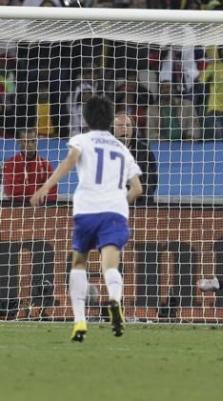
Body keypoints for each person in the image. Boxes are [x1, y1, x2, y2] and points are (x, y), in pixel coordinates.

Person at [30, 96, 143, 342]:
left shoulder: (82, 140)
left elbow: (69, 161)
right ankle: (114, 300)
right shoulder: (122, 149)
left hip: (87, 209)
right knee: (110, 264)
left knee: (79, 262)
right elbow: (137, 189)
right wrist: (118, 202)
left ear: (86, 118)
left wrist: (46, 186)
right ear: (110, 120)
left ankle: (80, 321)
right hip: (114, 211)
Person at [113, 112, 158, 205]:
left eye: (128, 125)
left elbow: (151, 180)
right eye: (120, 125)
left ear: (133, 129)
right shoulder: (105, 150)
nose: (124, 128)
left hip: (139, 203)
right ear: (112, 129)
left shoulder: (144, 150)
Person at [2, 130, 56, 205]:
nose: (30, 144)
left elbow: (52, 191)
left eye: (33, 141)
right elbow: (11, 191)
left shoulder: (45, 165)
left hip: (41, 207)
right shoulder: (11, 164)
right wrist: (38, 193)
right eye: (26, 141)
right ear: (19, 142)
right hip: (17, 207)